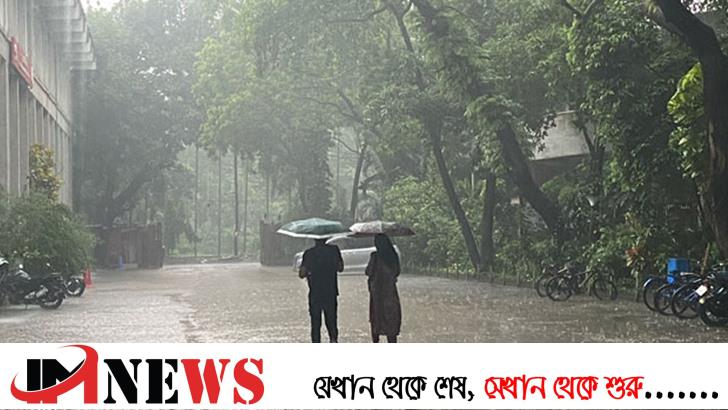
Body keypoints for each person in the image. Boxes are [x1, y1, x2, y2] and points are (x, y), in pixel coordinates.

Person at [299, 238, 344, 343]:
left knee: (315, 324)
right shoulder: (334, 250)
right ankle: (333, 341)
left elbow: (302, 274)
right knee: (332, 321)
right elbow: (340, 268)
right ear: (326, 238)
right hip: (330, 292)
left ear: (314, 239)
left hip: (315, 293)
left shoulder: (309, 253)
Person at [366, 234, 402, 343]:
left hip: (377, 292)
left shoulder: (375, 256)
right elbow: (397, 272)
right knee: (391, 318)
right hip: (390, 292)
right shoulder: (393, 256)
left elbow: (368, 271)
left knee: (376, 318)